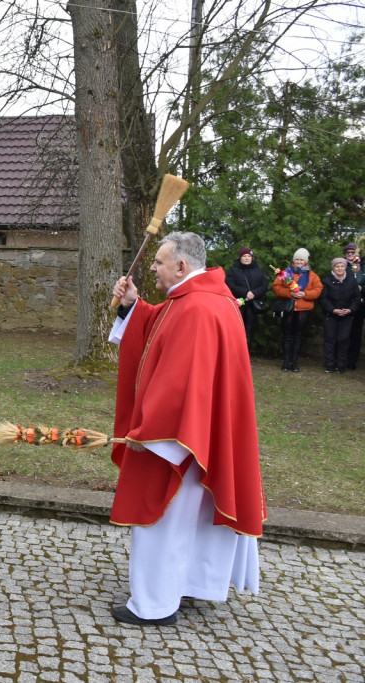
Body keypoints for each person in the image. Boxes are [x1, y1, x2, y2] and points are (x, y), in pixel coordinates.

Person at [108, 231, 265, 627]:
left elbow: (182, 381)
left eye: (159, 262)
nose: (154, 268)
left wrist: (148, 431)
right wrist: (132, 307)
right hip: (201, 436)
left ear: (182, 265)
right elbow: (157, 328)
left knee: (170, 515)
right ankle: (191, 582)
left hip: (179, 440)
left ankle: (155, 603)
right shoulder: (202, 299)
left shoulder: (197, 308)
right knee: (192, 514)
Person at [272, 248, 323, 372]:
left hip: (303, 309)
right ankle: (285, 362)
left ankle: (294, 363)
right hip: (288, 309)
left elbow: (318, 289)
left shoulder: (312, 275)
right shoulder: (285, 273)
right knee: (287, 336)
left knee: (298, 336)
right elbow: (276, 287)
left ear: (305, 261)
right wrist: (289, 293)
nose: (299, 261)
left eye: (301, 259)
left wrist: (304, 294)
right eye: (297, 259)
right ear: (294, 261)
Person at [319, 257, 360, 374]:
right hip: (330, 315)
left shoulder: (352, 281)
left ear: (345, 267)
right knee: (330, 339)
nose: (340, 268)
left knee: (343, 339)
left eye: (342, 266)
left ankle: (341, 364)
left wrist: (351, 309)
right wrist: (332, 310)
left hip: (347, 315)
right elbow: (323, 298)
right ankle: (329, 364)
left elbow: (357, 297)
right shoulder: (327, 281)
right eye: (337, 266)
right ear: (333, 268)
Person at [224, 247, 268, 348]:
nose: (247, 258)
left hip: (252, 306)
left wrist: (254, 293)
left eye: (249, 256)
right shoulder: (233, 271)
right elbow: (230, 285)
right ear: (240, 258)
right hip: (238, 305)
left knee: (249, 330)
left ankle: (246, 354)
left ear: (252, 258)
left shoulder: (259, 271)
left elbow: (264, 285)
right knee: (236, 330)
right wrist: (245, 293)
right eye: (244, 256)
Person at [343, 243, 365, 370]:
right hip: (345, 303)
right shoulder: (342, 266)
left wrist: (362, 288)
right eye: (348, 253)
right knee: (344, 333)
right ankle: (341, 358)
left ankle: (352, 361)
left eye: (353, 253)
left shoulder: (362, 267)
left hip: (360, 305)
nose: (351, 255)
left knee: (356, 334)